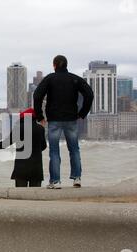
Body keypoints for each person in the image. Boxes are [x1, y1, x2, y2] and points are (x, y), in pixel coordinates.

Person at [33, 55, 94, 189]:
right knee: (74, 149)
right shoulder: (75, 79)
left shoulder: (50, 78)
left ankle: (55, 181)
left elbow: (37, 96)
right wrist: (82, 113)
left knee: (54, 151)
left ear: (54, 65)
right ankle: (77, 178)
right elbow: (89, 94)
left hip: (54, 119)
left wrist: (39, 116)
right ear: (66, 65)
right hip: (71, 119)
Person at [0, 108, 47, 187]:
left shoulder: (18, 128)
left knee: (20, 193)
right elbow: (43, 146)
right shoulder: (40, 129)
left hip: (21, 168)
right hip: (36, 168)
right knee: (35, 195)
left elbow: (6, 143)